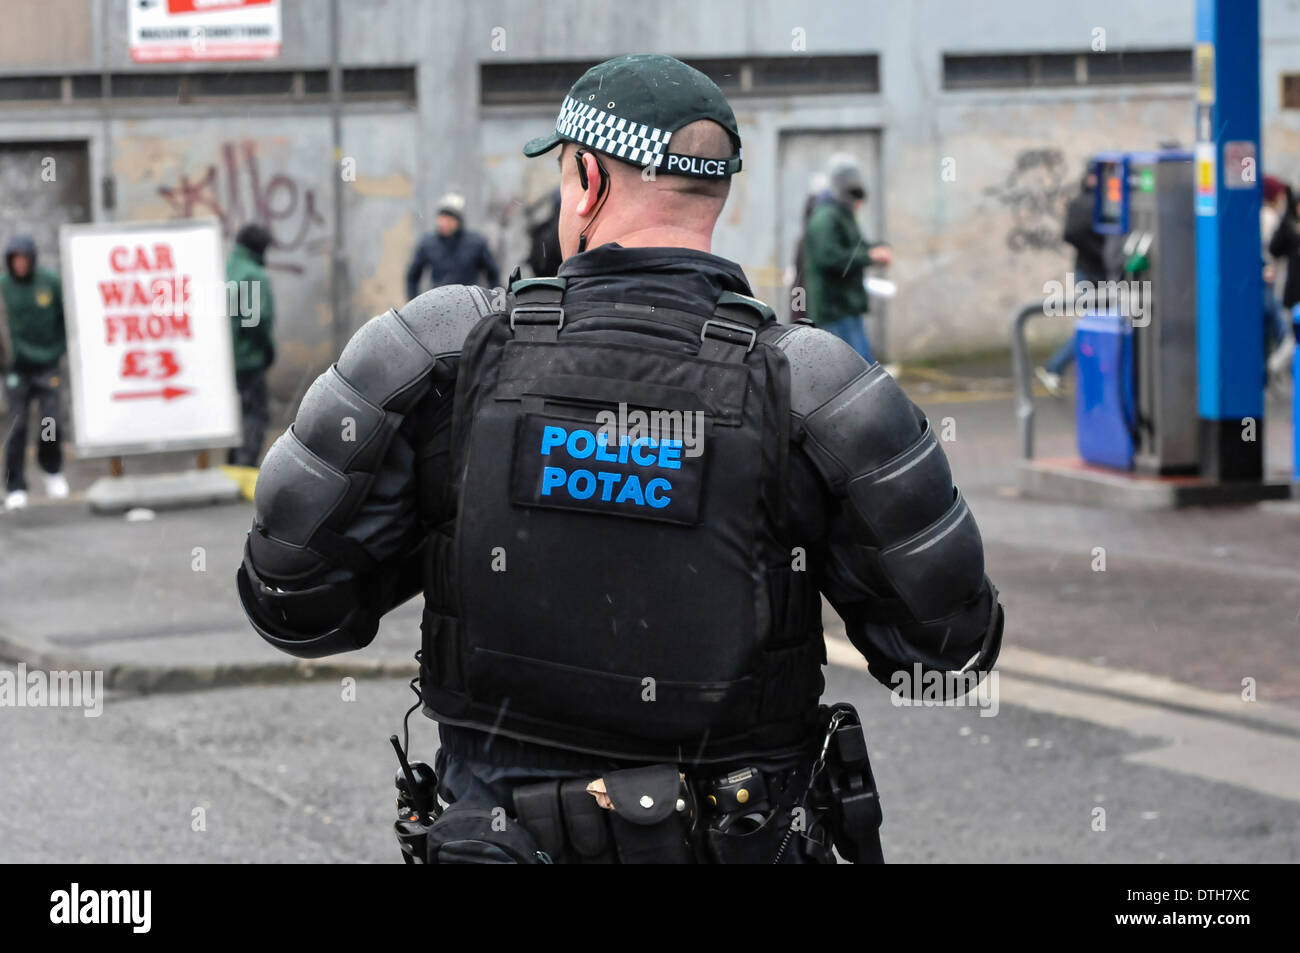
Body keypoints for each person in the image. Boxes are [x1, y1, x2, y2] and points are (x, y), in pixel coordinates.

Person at [237, 53, 1003, 865]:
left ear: (589, 181)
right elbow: (947, 653)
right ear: (717, 190)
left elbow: (294, 601)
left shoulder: (440, 350)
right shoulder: (819, 387)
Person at [801, 153, 891, 361]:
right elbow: (829, 258)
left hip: (848, 306)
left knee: (862, 367)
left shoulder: (842, 212)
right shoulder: (825, 217)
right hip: (834, 309)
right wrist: (869, 256)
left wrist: (877, 248)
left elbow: (856, 245)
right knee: (851, 371)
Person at [1, 235, 69, 511]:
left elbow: (66, 318)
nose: (19, 265)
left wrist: (59, 349)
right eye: (14, 260)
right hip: (15, 369)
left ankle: (51, 468)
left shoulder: (49, 282)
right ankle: (15, 484)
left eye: (23, 259)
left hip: (47, 364)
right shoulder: (4, 287)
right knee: (16, 427)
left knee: (50, 420)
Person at [1036, 171, 1106, 397]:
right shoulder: (1086, 203)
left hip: (1097, 273)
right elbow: (1072, 234)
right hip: (1090, 273)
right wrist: (1101, 252)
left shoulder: (1100, 202)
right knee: (1093, 326)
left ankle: (1063, 368)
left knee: (1099, 325)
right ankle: (1054, 366)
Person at [225, 224, 276, 468]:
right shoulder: (254, 274)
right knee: (255, 412)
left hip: (225, 358)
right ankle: (245, 465)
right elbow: (257, 322)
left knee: (233, 414)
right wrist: (268, 350)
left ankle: (233, 462)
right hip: (248, 357)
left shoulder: (226, 267)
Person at [405, 192, 500, 299]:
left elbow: (493, 275)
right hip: (438, 304)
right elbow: (412, 277)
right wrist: (415, 305)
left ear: (458, 221)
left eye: (449, 219)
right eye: (442, 218)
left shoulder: (476, 243)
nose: (444, 223)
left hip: (470, 304)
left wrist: (494, 303)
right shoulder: (428, 243)